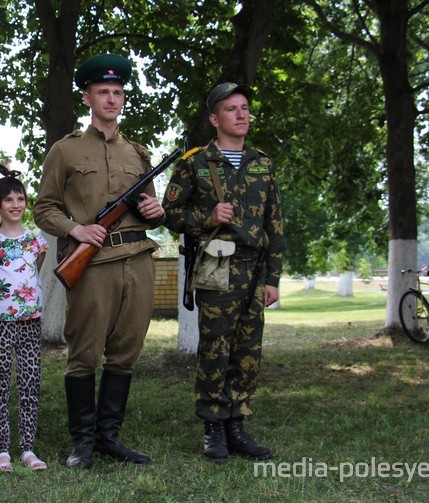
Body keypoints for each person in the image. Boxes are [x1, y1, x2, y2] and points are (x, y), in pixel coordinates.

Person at [33, 54, 164, 469]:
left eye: (118, 92)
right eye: (103, 92)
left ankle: (109, 438)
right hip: (92, 264)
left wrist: (157, 211)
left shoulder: (139, 154)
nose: (112, 99)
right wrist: (75, 230)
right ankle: (83, 443)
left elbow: (147, 206)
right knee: (84, 354)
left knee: (126, 352)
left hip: (137, 260)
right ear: (88, 97)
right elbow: (44, 209)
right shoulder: (66, 150)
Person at [161, 82, 285, 463]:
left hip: (254, 269)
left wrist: (273, 278)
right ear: (215, 119)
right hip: (218, 266)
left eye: (245, 107)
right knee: (216, 348)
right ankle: (213, 427)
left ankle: (237, 425)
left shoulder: (263, 163)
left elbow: (275, 224)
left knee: (248, 351)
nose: (242, 114)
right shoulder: (195, 162)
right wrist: (207, 217)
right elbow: (170, 214)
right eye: (232, 109)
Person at [0, 165, 49, 473]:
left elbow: (35, 274)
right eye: (8, 200)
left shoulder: (36, 241)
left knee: (30, 384)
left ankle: (28, 449)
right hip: (0, 325)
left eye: (20, 198)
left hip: (31, 323)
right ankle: (3, 449)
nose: (16, 205)